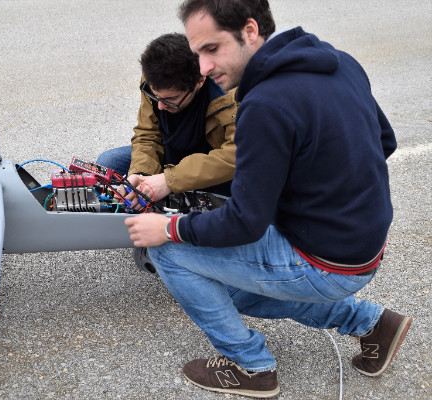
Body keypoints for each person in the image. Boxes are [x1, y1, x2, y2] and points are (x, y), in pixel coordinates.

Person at [124, 0, 412, 398]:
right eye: (198, 54)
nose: (203, 68)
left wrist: (167, 226)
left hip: (327, 259)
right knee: (234, 288)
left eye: (212, 49)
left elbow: (244, 222)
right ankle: (371, 322)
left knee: (169, 251)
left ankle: (252, 366)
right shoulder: (339, 61)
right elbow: (385, 141)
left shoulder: (263, 105)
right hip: (365, 244)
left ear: (251, 30)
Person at [97, 32, 238, 207]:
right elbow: (147, 134)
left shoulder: (231, 93)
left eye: (170, 99)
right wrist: (142, 174)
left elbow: (236, 154)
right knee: (109, 162)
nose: (161, 106)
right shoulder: (155, 80)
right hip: (170, 158)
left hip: (216, 169)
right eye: (157, 97)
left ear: (200, 80)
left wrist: (169, 181)